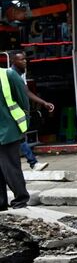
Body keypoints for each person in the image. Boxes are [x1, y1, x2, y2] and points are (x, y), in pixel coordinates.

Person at [9, 52, 50, 171]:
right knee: (19, 138)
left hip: (16, 113)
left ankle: (31, 163)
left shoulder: (20, 74)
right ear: (13, 61)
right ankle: (33, 163)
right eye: (21, 59)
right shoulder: (11, 75)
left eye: (25, 59)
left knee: (19, 138)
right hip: (10, 114)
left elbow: (26, 91)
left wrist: (43, 103)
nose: (24, 61)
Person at [0, 60, 31, 209]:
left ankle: (20, 199)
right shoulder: (9, 75)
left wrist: (24, 125)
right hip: (7, 130)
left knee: (11, 167)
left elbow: (24, 102)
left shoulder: (8, 75)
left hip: (8, 130)